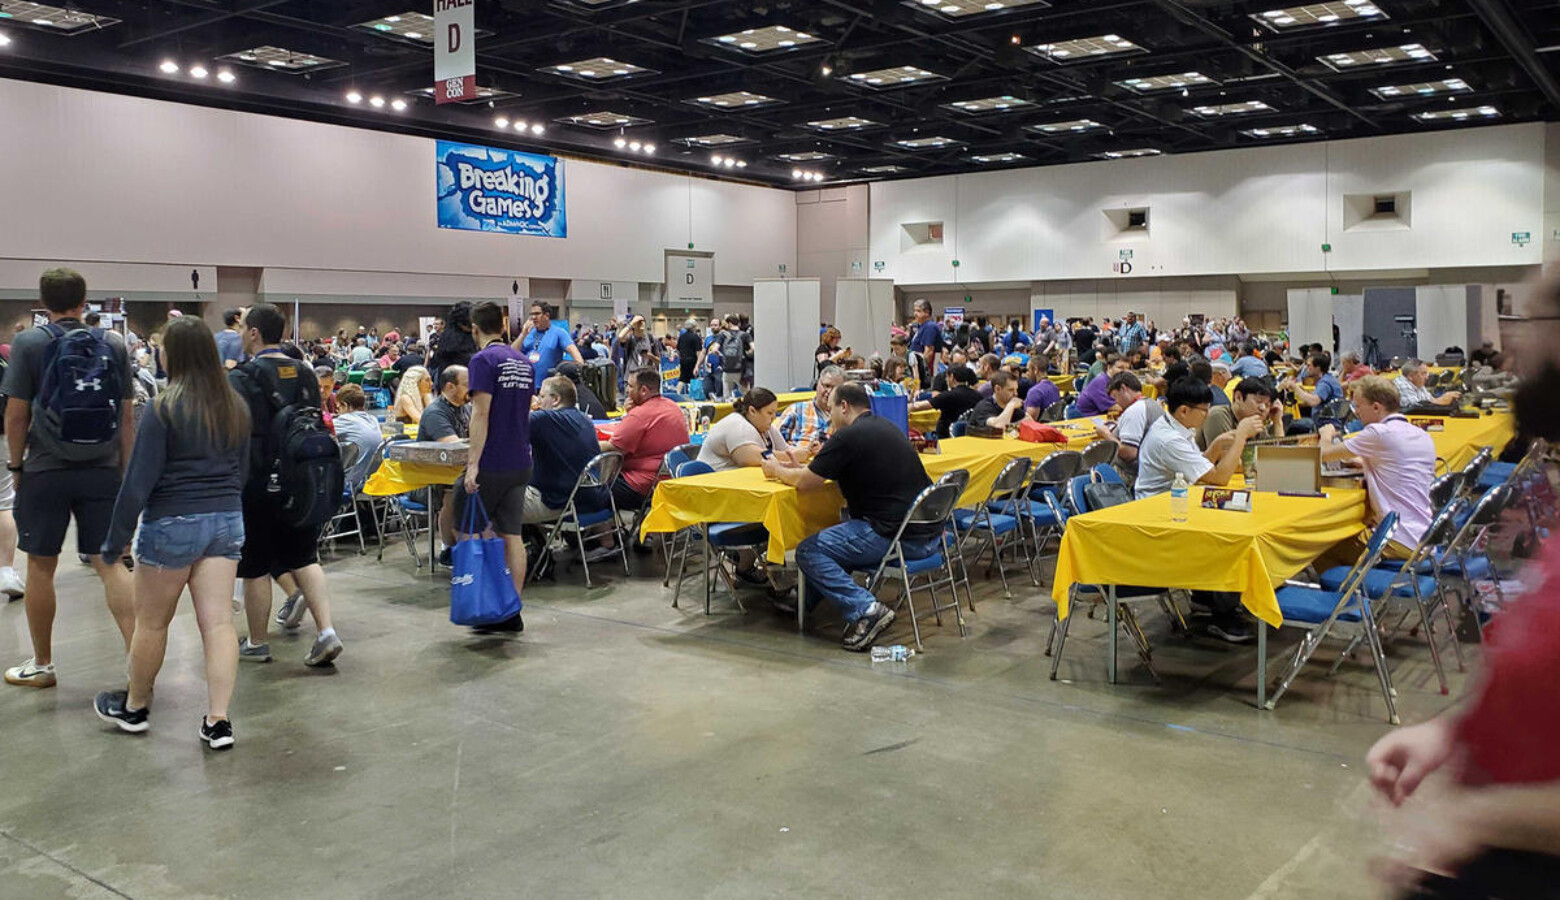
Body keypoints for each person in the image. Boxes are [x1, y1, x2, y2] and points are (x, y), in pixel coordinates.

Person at [92, 316, 249, 749]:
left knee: (152, 623)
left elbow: (138, 482)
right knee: (218, 623)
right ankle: (218, 722)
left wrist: (114, 540)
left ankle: (136, 707)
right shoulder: (235, 405)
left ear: (173, 354)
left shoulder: (164, 408)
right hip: (226, 520)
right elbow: (244, 471)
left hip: (172, 524)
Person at [2, 269, 136, 689]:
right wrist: (124, 471)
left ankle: (42, 664)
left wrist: (17, 466)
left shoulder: (28, 343)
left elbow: (17, 413)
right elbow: (128, 416)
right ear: (83, 302)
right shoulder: (113, 343)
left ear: (44, 302)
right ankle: (140, 661)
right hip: (102, 468)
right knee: (111, 564)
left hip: (45, 468)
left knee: (42, 567)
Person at [764, 383, 933, 651]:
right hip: (925, 534)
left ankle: (866, 609)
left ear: (844, 406)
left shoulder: (847, 437)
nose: (829, 415)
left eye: (830, 408)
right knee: (836, 538)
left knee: (809, 550)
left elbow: (806, 483)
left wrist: (776, 470)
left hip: (890, 536)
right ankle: (801, 601)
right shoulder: (889, 427)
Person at [227, 303, 343, 667]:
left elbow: (234, 432)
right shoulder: (307, 373)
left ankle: (258, 642)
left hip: (258, 480)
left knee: (256, 566)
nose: (240, 333)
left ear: (255, 333)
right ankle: (326, 632)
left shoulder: (242, 377)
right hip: (305, 477)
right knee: (304, 556)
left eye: (243, 327)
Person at [1136, 378, 1266, 643]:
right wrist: (1240, 436)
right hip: (1160, 515)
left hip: (1178, 501)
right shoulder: (1169, 439)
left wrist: (1217, 446)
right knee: (1231, 535)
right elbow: (1219, 478)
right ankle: (1224, 613)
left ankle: (1208, 596)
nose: (1208, 414)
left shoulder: (1175, 428)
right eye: (1204, 409)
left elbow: (1198, 471)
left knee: (1240, 507)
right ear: (1184, 410)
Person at [456, 300, 535, 632]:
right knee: (512, 534)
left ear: (475, 329)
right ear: (502, 326)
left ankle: (484, 603)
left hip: (493, 461)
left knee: (465, 528)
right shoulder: (523, 361)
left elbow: (481, 413)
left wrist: (473, 465)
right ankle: (511, 609)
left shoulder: (482, 360)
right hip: (521, 459)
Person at [1317, 375, 1435, 559]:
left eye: (1358, 405)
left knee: (1321, 545)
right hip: (1425, 537)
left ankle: (1348, 584)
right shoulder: (1420, 434)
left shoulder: (1378, 432)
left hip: (1397, 539)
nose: (1356, 412)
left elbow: (1323, 453)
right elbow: (1397, 464)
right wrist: (1362, 462)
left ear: (1376, 407)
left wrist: (1326, 434)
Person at [603, 368, 689, 513]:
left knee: (589, 489)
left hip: (641, 487)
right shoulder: (673, 407)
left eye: (630, 386)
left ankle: (601, 533)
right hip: (672, 481)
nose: (627, 391)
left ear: (643, 390)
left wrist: (585, 444)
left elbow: (613, 447)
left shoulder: (640, 415)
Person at [420, 366, 471, 565]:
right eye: (467, 384)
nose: (473, 388)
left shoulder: (466, 407)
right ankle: (448, 550)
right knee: (454, 490)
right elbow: (453, 446)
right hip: (428, 482)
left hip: (458, 472)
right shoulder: (435, 412)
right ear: (450, 386)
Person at [696, 387, 800, 473]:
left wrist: (806, 451)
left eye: (775, 413)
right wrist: (793, 457)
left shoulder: (766, 426)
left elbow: (786, 449)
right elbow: (750, 458)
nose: (774, 417)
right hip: (712, 484)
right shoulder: (736, 425)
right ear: (752, 411)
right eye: (769, 413)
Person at [1196, 376, 1283, 451]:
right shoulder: (1218, 415)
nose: (1263, 408)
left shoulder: (1256, 422)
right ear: (1238, 397)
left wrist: (1278, 422)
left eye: (1267, 405)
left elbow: (1274, 457)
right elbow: (1225, 461)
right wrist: (1243, 433)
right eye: (1258, 401)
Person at [1092, 372, 1159, 470]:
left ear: (1123, 389)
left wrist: (1106, 434)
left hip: (1130, 473)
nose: (1116, 403)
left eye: (1115, 397)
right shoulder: (1151, 403)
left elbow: (1129, 453)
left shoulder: (1134, 411)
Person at [777, 366, 843, 450]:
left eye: (835, 388)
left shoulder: (845, 416)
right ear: (818, 384)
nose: (829, 391)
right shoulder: (796, 410)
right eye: (826, 386)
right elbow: (775, 444)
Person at [331, 384, 382, 490]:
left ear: (344, 405)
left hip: (352, 483)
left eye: (338, 408)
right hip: (373, 480)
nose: (338, 412)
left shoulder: (345, 420)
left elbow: (323, 430)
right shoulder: (373, 419)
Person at [909, 365, 980, 438]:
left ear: (952, 377)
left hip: (946, 437)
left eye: (947, 377)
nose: (946, 380)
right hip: (970, 436)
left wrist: (904, 406)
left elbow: (918, 406)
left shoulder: (947, 396)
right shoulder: (978, 395)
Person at [516, 301, 583, 378]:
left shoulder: (559, 333)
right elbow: (511, 353)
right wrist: (523, 333)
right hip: (527, 384)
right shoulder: (528, 333)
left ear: (547, 315)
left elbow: (578, 359)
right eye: (532, 314)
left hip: (549, 387)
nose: (534, 317)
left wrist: (564, 366)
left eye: (537, 314)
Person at [1280, 352, 1343, 430]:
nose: (1306, 368)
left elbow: (1313, 402)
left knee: (1287, 424)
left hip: (1324, 425)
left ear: (1318, 368)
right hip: (1327, 421)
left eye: (1309, 365)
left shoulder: (1325, 383)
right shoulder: (1328, 379)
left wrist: (1294, 387)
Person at [1394, 359, 1463, 408]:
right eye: (1423, 373)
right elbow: (1415, 407)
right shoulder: (1402, 384)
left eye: (1427, 373)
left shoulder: (1418, 384)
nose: (1427, 377)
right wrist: (1442, 400)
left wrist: (1446, 399)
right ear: (1410, 376)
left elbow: (1429, 401)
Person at [712, 314, 752, 397]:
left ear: (729, 324)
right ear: (739, 324)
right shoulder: (745, 335)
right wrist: (748, 353)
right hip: (740, 369)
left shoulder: (723, 335)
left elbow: (714, 349)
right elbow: (754, 348)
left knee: (727, 395)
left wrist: (719, 354)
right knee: (747, 395)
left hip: (727, 369)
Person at [908, 299, 943, 380]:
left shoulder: (930, 327)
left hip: (927, 374)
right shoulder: (922, 327)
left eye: (918, 311)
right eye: (914, 311)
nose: (915, 314)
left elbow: (929, 352)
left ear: (927, 312)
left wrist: (919, 372)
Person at [676, 318, 703, 388]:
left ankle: (677, 393)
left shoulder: (681, 337)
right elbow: (698, 352)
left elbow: (678, 349)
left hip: (683, 360)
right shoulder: (696, 337)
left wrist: (681, 357)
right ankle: (693, 395)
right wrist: (698, 364)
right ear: (693, 327)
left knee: (682, 379)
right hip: (693, 361)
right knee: (694, 379)